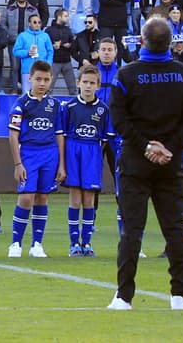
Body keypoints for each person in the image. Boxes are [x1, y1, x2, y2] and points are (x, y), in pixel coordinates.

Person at [107, 16, 183, 311]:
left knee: (132, 231)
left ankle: (124, 296)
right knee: (175, 229)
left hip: (135, 161)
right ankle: (179, 296)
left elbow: (119, 120)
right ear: (171, 43)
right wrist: (168, 147)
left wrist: (146, 145)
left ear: (142, 41)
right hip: (171, 163)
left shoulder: (126, 75)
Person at [7, 60, 64, 258]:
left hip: (50, 154)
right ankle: (15, 243)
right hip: (29, 154)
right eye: (38, 79)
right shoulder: (21, 104)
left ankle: (37, 244)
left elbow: (59, 135)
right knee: (25, 198)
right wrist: (17, 163)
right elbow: (13, 135)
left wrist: (61, 165)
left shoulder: (55, 105)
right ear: (30, 79)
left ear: (51, 80)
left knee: (42, 198)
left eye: (46, 79)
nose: (42, 83)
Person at [61, 63, 111, 257]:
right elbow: (62, 136)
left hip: (92, 151)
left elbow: (105, 139)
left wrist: (94, 154)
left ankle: (87, 243)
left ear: (98, 85)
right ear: (78, 83)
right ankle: (74, 243)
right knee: (75, 197)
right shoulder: (70, 107)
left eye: (92, 83)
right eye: (85, 82)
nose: (88, 86)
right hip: (73, 149)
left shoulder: (103, 109)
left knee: (89, 198)